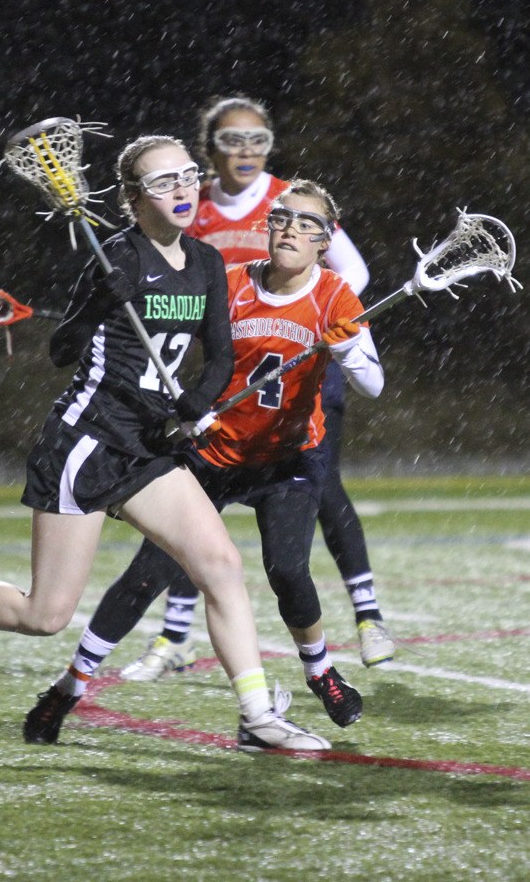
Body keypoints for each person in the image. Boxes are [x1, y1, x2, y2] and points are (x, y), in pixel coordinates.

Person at [0, 134, 330, 754]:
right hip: (87, 440)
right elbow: (62, 351)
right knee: (44, 615)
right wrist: (99, 304)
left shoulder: (207, 262)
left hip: (149, 447)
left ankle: (258, 716)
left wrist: (196, 402)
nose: (182, 190)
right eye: (163, 183)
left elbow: (220, 357)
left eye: (187, 176)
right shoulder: (117, 259)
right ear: (133, 200)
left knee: (221, 565)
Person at [23, 179, 384, 745]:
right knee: (147, 574)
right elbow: (173, 337)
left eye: (307, 224)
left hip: (285, 460)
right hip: (213, 454)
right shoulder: (230, 281)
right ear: (268, 226)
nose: (291, 229)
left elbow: (373, 385)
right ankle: (69, 686)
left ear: (325, 242)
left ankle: (319, 672)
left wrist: (349, 351)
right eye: (283, 217)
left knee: (288, 569)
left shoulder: (335, 295)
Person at [121, 96, 394, 682]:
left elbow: (354, 275)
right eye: (231, 141)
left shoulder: (287, 200)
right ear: (208, 150)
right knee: (196, 514)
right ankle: (173, 635)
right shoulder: (192, 207)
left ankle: (367, 617)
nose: (245, 151)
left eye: (257, 139)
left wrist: (319, 320)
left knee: (320, 494)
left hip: (300, 372)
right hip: (230, 376)